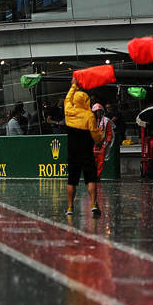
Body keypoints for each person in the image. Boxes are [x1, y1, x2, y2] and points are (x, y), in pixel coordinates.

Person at [64, 78, 105, 216]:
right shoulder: (89, 115)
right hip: (86, 151)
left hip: (72, 151)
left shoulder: (68, 110)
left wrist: (73, 85)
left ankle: (70, 207)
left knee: (72, 180)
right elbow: (95, 135)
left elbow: (68, 99)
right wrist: (100, 138)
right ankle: (94, 203)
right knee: (91, 178)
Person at [92, 103, 113, 178]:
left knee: (100, 161)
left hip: (102, 144)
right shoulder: (90, 120)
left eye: (99, 111)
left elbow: (109, 133)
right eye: (96, 111)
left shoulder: (106, 121)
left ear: (102, 112)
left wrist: (105, 143)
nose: (98, 113)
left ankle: (98, 176)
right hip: (92, 144)